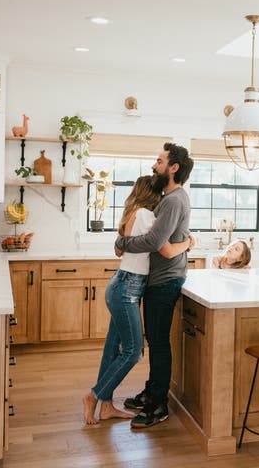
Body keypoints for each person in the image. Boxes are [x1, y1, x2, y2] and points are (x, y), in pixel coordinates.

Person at [82, 175, 193, 425]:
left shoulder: (134, 212)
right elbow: (165, 249)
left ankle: (106, 405)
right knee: (133, 352)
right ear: (154, 195)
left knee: (113, 348)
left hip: (123, 284)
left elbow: (119, 248)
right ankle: (94, 396)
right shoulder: (146, 215)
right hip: (128, 289)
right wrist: (188, 242)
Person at [114, 143, 194, 429]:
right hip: (158, 279)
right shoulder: (167, 198)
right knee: (155, 341)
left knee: (158, 343)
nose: (154, 165)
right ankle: (152, 390)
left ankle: (158, 405)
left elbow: (154, 242)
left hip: (165, 281)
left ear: (174, 168)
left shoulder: (173, 201)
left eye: (159, 161)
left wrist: (122, 243)